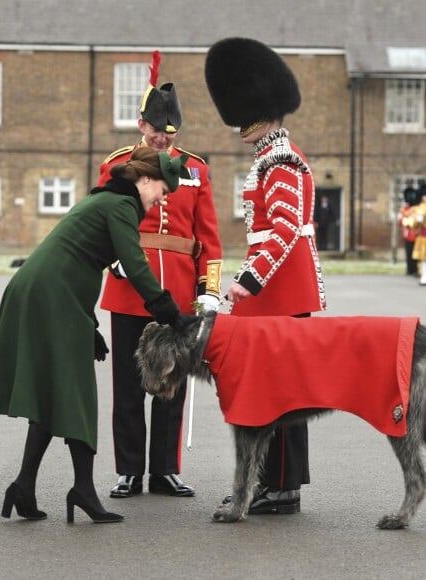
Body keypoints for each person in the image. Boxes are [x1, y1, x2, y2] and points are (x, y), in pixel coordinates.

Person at [0, 146, 192, 523]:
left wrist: (89, 325)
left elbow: (75, 260)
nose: (163, 199)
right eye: (162, 189)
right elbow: (135, 265)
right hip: (52, 296)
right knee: (79, 393)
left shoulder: (110, 202)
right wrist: (171, 313)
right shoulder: (121, 207)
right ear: (144, 180)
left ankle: (23, 486)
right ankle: (83, 490)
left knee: (52, 393)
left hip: (48, 292)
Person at [205, 37, 327, 515]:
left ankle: (280, 488)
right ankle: (272, 484)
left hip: (278, 293)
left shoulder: (281, 161)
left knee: (279, 393)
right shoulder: (269, 157)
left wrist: (248, 282)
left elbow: (283, 233)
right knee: (271, 392)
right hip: (271, 292)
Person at [99, 51, 223, 500]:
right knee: (129, 386)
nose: (162, 143)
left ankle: (165, 469)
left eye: (168, 136)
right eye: (155, 134)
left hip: (179, 291)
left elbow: (208, 236)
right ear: (141, 125)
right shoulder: (117, 164)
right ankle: (129, 470)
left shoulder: (195, 169)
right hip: (130, 286)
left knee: (172, 383)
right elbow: (103, 219)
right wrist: (113, 256)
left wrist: (208, 290)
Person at [398, 186, 419, 276]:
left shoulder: (417, 209)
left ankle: (416, 269)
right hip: (408, 234)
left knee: (417, 253)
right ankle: (410, 269)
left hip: (417, 233)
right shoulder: (405, 209)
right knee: (409, 252)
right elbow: (401, 221)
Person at [411, 183, 426, 285]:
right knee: (423, 258)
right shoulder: (419, 208)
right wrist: (419, 220)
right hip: (424, 236)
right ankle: (424, 277)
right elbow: (415, 223)